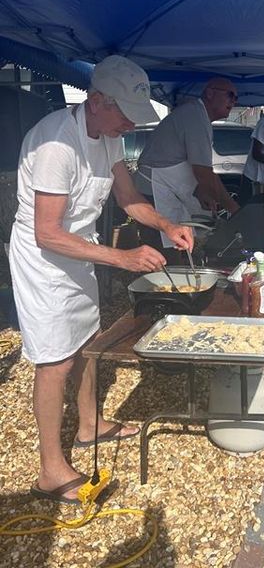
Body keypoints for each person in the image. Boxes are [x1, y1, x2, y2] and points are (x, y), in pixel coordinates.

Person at [9, 55, 194, 504]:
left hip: (80, 252)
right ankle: (50, 469)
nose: (130, 126)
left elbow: (129, 199)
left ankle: (89, 426)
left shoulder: (109, 138)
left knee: (89, 342)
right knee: (55, 362)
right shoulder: (58, 144)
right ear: (96, 101)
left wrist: (167, 226)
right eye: (125, 116)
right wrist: (121, 258)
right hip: (44, 262)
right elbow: (47, 232)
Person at [137, 77, 240, 252]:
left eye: (236, 98)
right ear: (209, 93)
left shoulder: (198, 116)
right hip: (152, 191)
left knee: (179, 245)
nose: (233, 101)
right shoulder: (195, 115)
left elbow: (181, 162)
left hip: (165, 188)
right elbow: (204, 173)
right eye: (230, 95)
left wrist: (200, 191)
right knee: (161, 256)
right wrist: (235, 210)